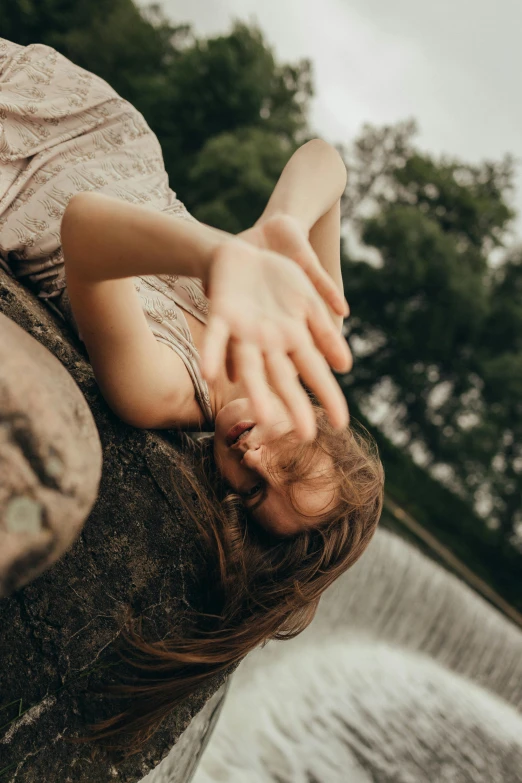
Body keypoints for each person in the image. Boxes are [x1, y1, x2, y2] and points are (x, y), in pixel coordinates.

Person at [0, 37, 384, 750]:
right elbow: (326, 160)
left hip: (16, 156)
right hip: (78, 104)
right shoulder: (301, 323)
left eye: (250, 491)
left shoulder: (163, 392)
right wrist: (282, 224)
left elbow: (84, 227)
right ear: (320, 423)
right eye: (290, 459)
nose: (253, 453)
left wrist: (217, 252)